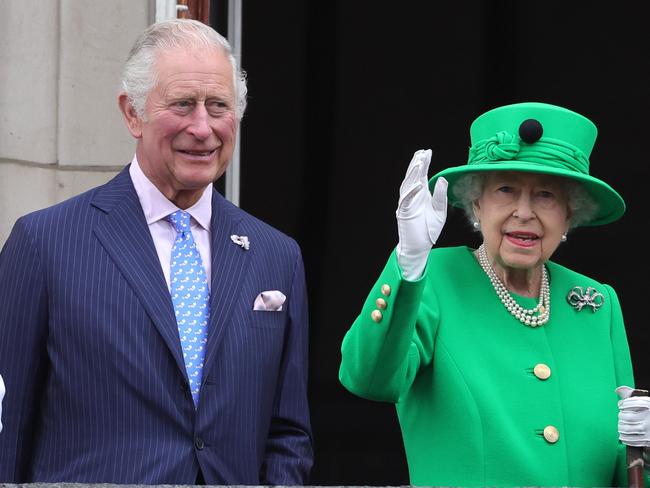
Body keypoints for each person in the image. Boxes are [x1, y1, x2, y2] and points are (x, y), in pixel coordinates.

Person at [0, 19, 313, 484]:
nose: (203, 127)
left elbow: (288, 435)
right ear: (132, 113)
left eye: (219, 106)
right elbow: (9, 425)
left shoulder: (276, 256)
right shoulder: (46, 243)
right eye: (183, 104)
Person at [339, 102, 650, 486]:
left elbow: (627, 471)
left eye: (546, 196)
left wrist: (645, 452)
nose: (524, 212)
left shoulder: (596, 303)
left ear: (569, 215)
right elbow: (368, 379)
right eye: (506, 190)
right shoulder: (432, 280)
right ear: (476, 203)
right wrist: (409, 261)